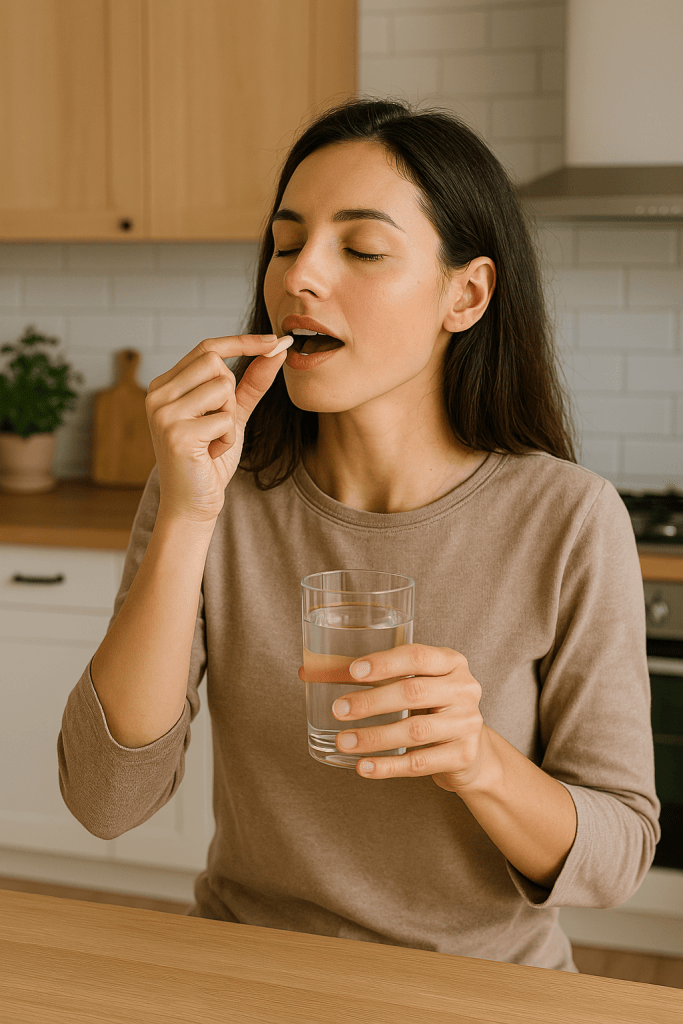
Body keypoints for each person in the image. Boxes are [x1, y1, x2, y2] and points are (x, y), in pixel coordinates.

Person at [58, 97, 660, 973]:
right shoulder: (213, 488)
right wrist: (189, 515)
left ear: (467, 293)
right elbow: (105, 801)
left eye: (362, 249)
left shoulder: (568, 518)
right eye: (287, 240)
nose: (299, 275)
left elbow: (616, 858)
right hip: (248, 972)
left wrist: (477, 759)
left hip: (479, 989)